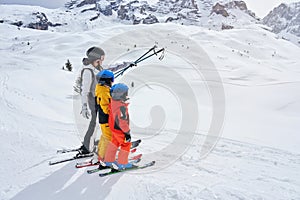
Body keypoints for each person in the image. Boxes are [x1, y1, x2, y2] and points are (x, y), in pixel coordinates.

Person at [78, 46, 105, 155]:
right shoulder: (88, 71)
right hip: (93, 101)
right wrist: (84, 107)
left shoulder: (97, 68)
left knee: (98, 122)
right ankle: (86, 147)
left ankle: (89, 142)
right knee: (94, 123)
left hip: (99, 99)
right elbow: (84, 91)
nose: (102, 61)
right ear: (95, 59)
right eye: (101, 59)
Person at [103, 83, 133, 170]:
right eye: (125, 93)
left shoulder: (114, 103)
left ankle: (108, 160)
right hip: (120, 130)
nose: (126, 95)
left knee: (114, 143)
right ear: (121, 94)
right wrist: (127, 132)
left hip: (114, 128)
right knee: (126, 144)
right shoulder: (121, 107)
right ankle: (123, 163)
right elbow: (122, 122)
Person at [94, 70, 114, 162]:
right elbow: (105, 107)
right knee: (108, 137)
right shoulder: (104, 92)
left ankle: (100, 152)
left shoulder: (101, 89)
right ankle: (103, 156)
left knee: (105, 135)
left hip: (103, 118)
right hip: (105, 118)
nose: (112, 82)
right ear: (105, 81)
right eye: (111, 80)